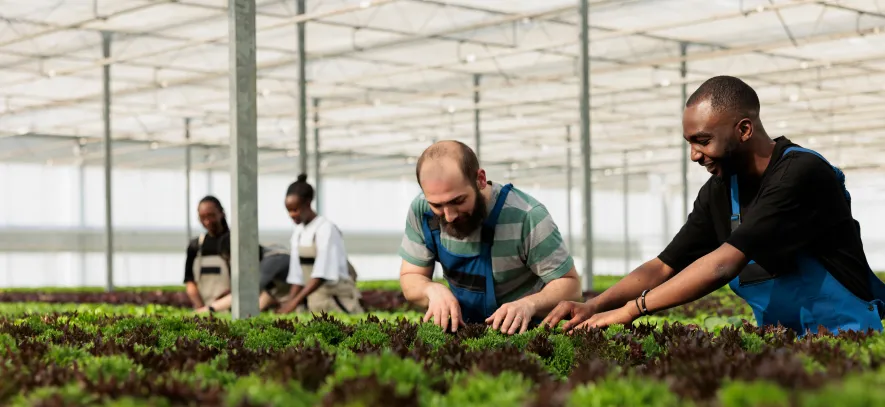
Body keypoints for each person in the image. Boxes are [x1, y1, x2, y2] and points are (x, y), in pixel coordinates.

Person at [542, 75, 885, 336]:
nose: (694, 155)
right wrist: (594, 305)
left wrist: (634, 308)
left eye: (702, 141)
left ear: (744, 129)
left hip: (848, 335)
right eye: (689, 143)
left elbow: (724, 264)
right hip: (781, 341)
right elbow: (662, 266)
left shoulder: (801, 173)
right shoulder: (719, 192)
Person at [398, 140, 582, 335]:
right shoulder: (421, 211)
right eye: (437, 205)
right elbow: (411, 276)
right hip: (464, 333)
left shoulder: (527, 216)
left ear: (480, 179)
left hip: (527, 334)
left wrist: (529, 304)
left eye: (458, 200)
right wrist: (431, 290)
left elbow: (572, 286)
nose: (449, 215)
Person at [276, 174, 364, 314]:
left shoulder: (325, 228)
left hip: (336, 298)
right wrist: (288, 304)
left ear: (308, 203)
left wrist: (293, 303)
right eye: (289, 210)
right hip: (314, 299)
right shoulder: (298, 233)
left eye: (295, 209)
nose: (292, 215)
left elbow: (321, 273)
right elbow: (297, 276)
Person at [195, 234, 293, 313]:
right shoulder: (269, 254)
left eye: (231, 259)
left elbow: (245, 293)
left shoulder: (272, 261)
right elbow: (269, 293)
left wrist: (208, 309)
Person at [183, 196, 232, 310]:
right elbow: (190, 282)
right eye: (202, 217)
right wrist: (202, 308)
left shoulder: (235, 243)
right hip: (204, 308)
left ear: (221, 213)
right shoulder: (196, 246)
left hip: (230, 308)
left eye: (211, 215)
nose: (207, 221)